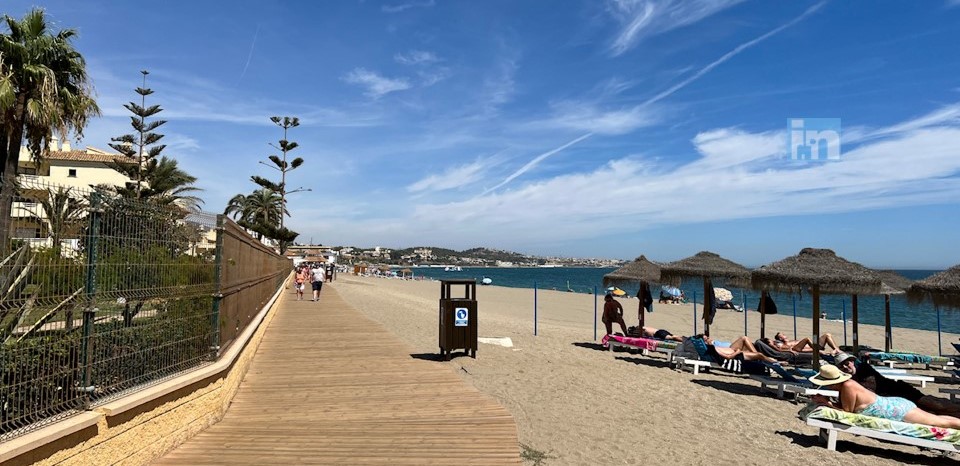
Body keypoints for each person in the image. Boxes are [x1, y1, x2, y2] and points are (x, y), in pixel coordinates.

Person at [808, 364, 960, 428]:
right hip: (894, 405)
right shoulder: (847, 385)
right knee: (939, 419)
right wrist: (826, 401)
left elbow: (847, 414)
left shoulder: (847, 386)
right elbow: (848, 409)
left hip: (895, 410)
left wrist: (826, 403)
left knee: (939, 422)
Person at [835, 353, 960, 418]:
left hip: (901, 392)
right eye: (842, 366)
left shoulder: (864, 369)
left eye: (847, 363)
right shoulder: (849, 379)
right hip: (894, 402)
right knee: (930, 411)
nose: (846, 367)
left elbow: (869, 390)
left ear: (852, 362)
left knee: (932, 404)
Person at [699, 335, 777, 363]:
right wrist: (737, 352)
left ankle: (767, 359)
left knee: (759, 354)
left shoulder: (714, 347)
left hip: (735, 350)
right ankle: (772, 361)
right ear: (705, 343)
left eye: (707, 337)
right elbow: (728, 357)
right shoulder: (714, 348)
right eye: (706, 339)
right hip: (736, 354)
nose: (708, 338)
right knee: (759, 354)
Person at [773, 331, 840, 355]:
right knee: (806, 339)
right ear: (780, 338)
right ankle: (816, 348)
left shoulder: (791, 341)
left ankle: (837, 350)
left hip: (813, 347)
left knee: (827, 335)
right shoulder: (782, 344)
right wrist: (789, 350)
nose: (784, 334)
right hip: (798, 349)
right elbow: (779, 349)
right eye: (782, 334)